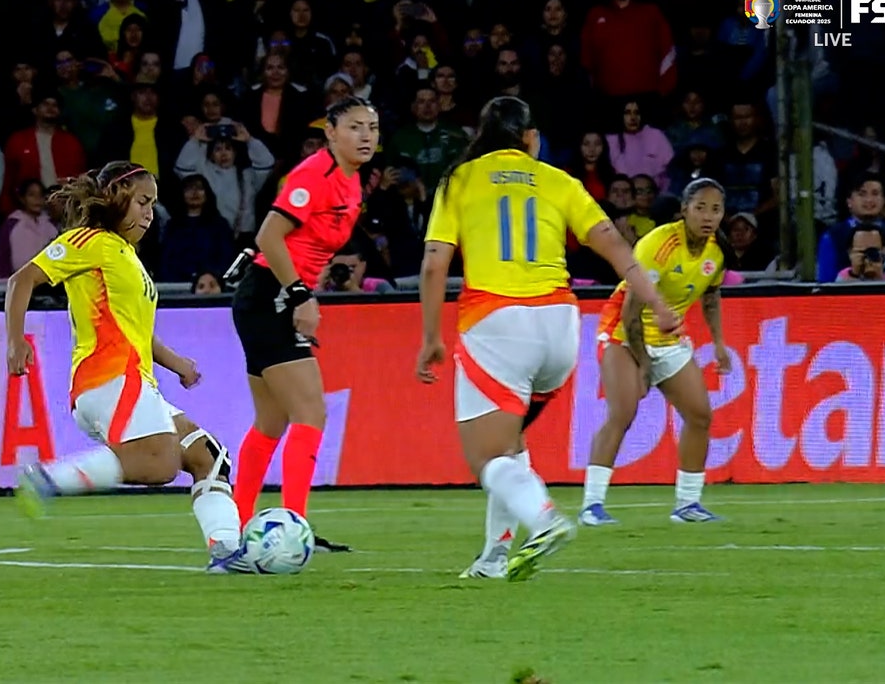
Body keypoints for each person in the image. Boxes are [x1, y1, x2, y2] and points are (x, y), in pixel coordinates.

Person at [416, 96, 681, 582]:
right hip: (560, 326)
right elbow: (619, 249)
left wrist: (431, 336)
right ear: (530, 138)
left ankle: (544, 518)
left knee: (487, 458)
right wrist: (660, 306)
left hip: (498, 323)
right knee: (510, 442)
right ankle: (494, 559)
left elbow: (435, 263)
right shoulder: (559, 181)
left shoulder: (460, 180)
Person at [5, 161, 251, 574]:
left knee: (208, 456)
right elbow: (21, 280)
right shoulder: (89, 241)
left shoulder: (126, 256)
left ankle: (227, 553)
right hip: (109, 378)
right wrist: (16, 342)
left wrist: (178, 365)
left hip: (135, 380)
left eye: (153, 205)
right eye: (141, 202)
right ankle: (47, 479)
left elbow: (138, 331)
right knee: (159, 464)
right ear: (114, 198)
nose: (149, 214)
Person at [230, 96, 379, 553]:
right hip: (272, 294)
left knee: (272, 421)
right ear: (331, 132)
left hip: (269, 295)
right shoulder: (315, 175)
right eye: (354, 127)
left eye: (372, 127)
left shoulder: (354, 182)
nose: (366, 136)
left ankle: (233, 527)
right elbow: (268, 236)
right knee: (310, 413)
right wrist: (300, 293)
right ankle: (294, 524)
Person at [581, 178, 731, 527]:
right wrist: (644, 362)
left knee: (700, 415)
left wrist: (719, 343)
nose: (708, 216)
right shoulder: (658, 244)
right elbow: (631, 308)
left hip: (668, 336)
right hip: (622, 331)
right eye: (701, 208)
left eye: (716, 209)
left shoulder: (716, 252)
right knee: (623, 412)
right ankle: (592, 505)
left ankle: (688, 504)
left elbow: (710, 296)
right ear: (684, 210)